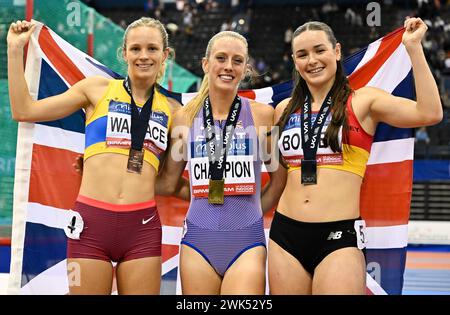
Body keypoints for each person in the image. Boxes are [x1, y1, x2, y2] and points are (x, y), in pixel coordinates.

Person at [7, 17, 185, 294]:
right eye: (136, 48)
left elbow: (169, 183)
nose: (143, 56)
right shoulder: (95, 89)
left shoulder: (174, 112)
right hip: (91, 224)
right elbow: (24, 110)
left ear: (165, 55)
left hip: (142, 229)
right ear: (124, 52)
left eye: (152, 49)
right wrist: (15, 49)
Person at [268, 18, 442, 294]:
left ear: (336, 51)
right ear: (294, 61)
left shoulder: (364, 101)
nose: (312, 60)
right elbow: (277, 175)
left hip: (338, 236)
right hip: (285, 235)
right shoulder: (283, 109)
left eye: (319, 50)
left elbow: (430, 113)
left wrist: (413, 49)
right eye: (302, 54)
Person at [157, 30, 285, 294]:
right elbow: (169, 183)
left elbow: (279, 181)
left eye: (237, 61)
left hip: (247, 241)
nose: (228, 66)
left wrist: (250, 211)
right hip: (197, 242)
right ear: (206, 64)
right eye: (221, 58)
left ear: (246, 68)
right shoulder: (184, 118)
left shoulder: (263, 116)